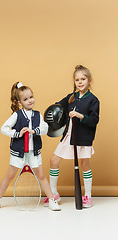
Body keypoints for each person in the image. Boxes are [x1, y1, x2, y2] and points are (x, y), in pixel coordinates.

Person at [0, 82, 61, 211]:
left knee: (41, 176)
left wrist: (35, 131)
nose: (30, 101)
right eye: (25, 99)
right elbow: (3, 129)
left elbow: (45, 128)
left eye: (31, 97)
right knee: (9, 176)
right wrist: (17, 133)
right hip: (18, 153)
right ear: (20, 102)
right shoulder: (17, 115)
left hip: (34, 153)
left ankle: (52, 200)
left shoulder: (37, 115)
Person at [44, 65, 100, 208]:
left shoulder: (93, 100)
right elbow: (58, 106)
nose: (80, 82)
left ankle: (87, 196)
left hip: (83, 138)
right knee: (54, 161)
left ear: (89, 80)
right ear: (74, 82)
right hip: (68, 136)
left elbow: (94, 120)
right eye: (77, 80)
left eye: (83, 79)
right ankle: (54, 194)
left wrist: (80, 116)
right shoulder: (71, 97)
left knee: (84, 164)